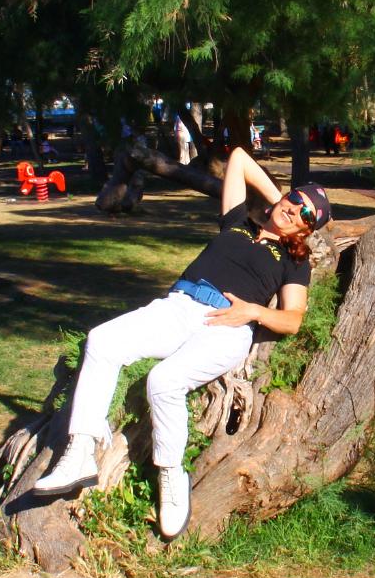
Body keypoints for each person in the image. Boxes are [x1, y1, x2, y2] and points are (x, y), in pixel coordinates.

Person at [33, 148, 333, 539]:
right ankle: (81, 452)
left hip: (227, 326)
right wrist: (284, 202)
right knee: (103, 341)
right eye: (295, 200)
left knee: (164, 381)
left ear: (307, 232)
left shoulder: (294, 261)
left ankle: (172, 475)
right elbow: (239, 159)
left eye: (306, 215)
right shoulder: (238, 221)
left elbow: (293, 319)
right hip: (179, 306)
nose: (295, 211)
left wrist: (253, 312)